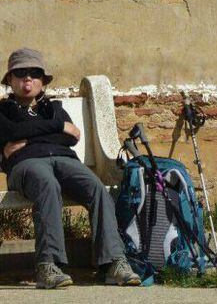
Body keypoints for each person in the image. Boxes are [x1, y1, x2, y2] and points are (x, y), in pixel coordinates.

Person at [0, 48, 140, 289]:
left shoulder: (54, 108)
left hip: (64, 160)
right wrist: (56, 128)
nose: (27, 79)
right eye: (20, 73)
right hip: (26, 165)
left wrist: (31, 136)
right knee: (47, 184)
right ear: (10, 80)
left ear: (43, 82)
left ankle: (113, 263)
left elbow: (72, 136)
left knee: (96, 188)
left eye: (34, 73)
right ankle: (49, 266)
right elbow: (12, 133)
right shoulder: (3, 110)